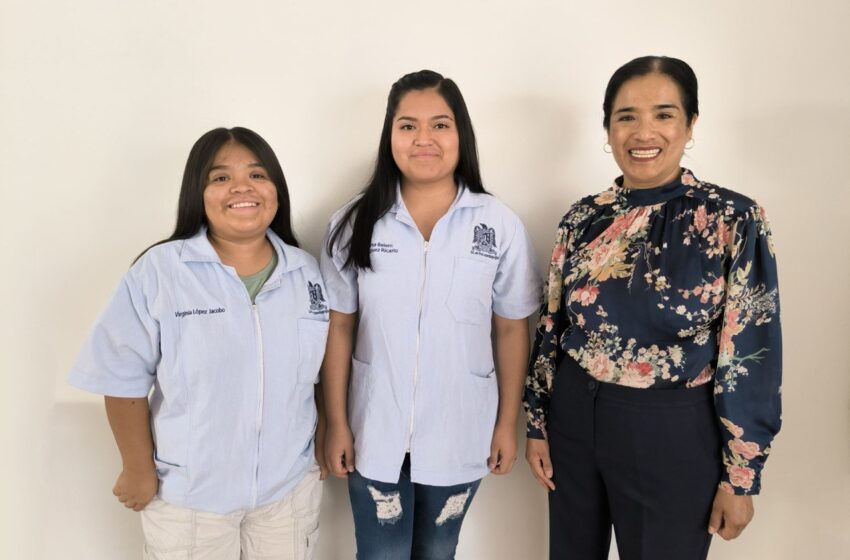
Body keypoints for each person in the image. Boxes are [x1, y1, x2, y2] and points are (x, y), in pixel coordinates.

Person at [524, 56, 782, 559]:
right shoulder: (583, 217)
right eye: (626, 116)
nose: (644, 131)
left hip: (671, 427)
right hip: (574, 417)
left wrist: (742, 476)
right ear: (607, 128)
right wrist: (538, 421)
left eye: (664, 114)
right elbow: (552, 324)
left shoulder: (732, 218)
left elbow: (752, 352)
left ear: (690, 125)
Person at [68, 127, 329, 559]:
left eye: (258, 175)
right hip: (190, 500)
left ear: (276, 191)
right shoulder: (160, 272)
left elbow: (316, 373)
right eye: (221, 177)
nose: (242, 187)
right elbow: (120, 375)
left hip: (288, 493)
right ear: (198, 193)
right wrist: (137, 468)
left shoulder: (306, 272)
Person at [321, 69, 541, 559]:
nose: (424, 139)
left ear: (461, 134)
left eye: (440, 125)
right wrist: (335, 421)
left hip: (461, 429)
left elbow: (510, 329)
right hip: (373, 429)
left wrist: (508, 422)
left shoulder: (497, 225)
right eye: (407, 126)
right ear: (389, 136)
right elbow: (338, 328)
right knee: (381, 555)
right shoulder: (353, 223)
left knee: (439, 552)